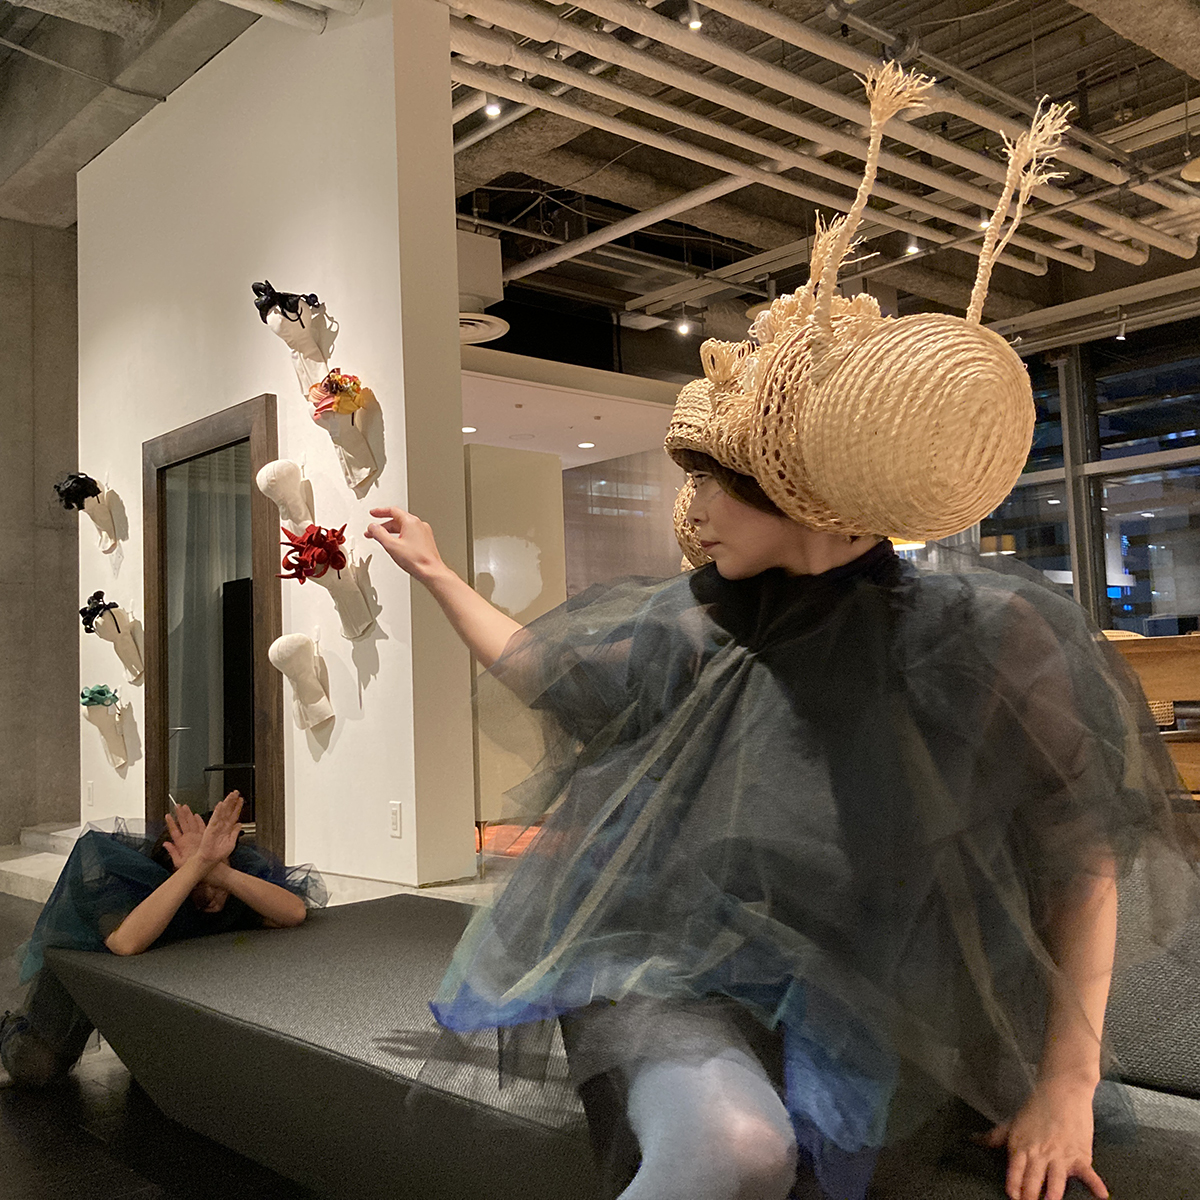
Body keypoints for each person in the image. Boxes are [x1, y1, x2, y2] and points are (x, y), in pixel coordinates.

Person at [366, 67, 1197, 1200]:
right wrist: (432, 570)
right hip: (664, 965)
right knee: (735, 1150)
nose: (696, 506)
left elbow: (1080, 854)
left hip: (880, 996)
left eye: (720, 480)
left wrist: (1067, 1081)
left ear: (804, 495)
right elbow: (538, 666)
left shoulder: (982, 634)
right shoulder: (697, 622)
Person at [1, 792, 326, 1087]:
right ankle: (6, 1027)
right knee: (35, 1067)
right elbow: (125, 942)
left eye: (216, 877)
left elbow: (293, 912)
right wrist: (199, 865)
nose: (211, 894)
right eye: (199, 882)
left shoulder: (233, 873)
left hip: (151, 986)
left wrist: (218, 871)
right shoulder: (126, 881)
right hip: (81, 972)